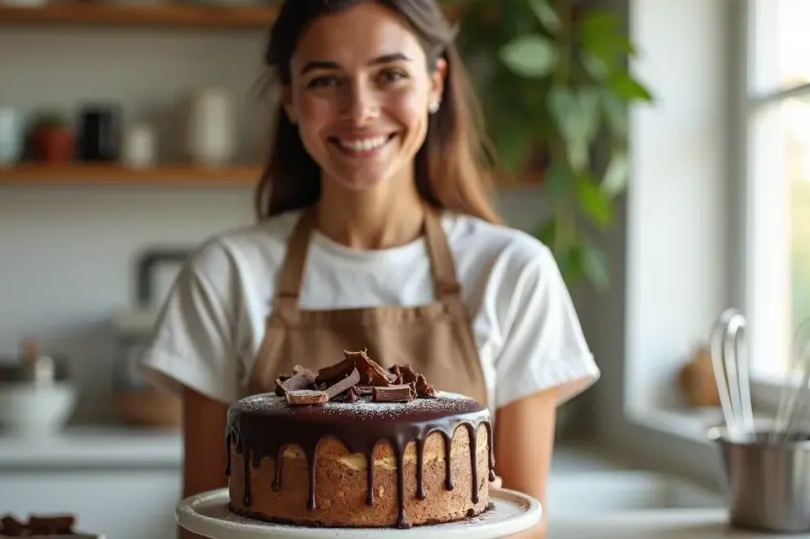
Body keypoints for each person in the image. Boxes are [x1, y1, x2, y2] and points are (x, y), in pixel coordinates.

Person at [138, 1, 601, 537]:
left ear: (435, 84)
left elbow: (520, 524)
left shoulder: (513, 272)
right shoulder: (225, 273)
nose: (359, 109)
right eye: (325, 80)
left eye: (390, 75)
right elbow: (203, 523)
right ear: (289, 98)